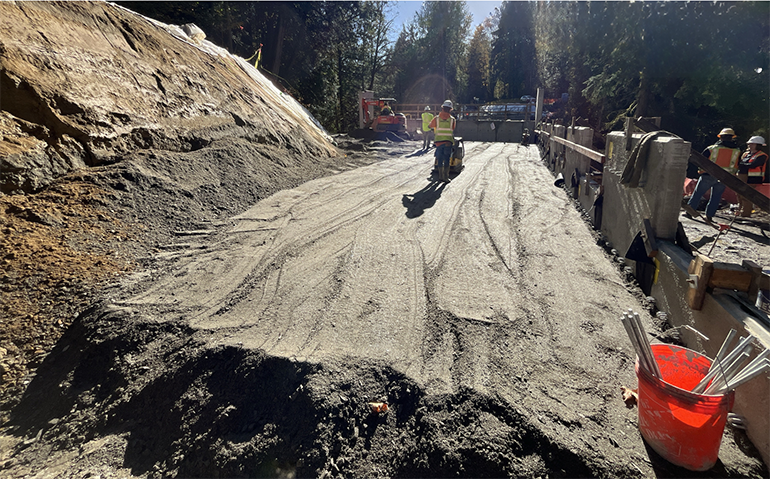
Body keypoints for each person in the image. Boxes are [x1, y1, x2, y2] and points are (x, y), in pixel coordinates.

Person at [683, 128, 741, 224]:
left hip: (708, 175)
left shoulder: (712, 149)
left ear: (721, 137)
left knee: (698, 194)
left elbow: (701, 160)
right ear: (732, 138)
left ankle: (690, 212)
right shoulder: (737, 151)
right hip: (724, 177)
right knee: (716, 197)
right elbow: (738, 164)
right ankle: (709, 216)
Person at [736, 136, 768, 218]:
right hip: (741, 175)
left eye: (752, 144)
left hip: (752, 178)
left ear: (758, 145)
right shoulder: (746, 154)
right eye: (749, 144)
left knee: (746, 195)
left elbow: (754, 165)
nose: (750, 145)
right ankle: (739, 211)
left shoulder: (762, 155)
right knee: (739, 194)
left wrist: (743, 165)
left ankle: (746, 214)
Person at [428, 100, 456, 182]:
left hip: (439, 142)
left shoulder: (436, 119)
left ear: (442, 108)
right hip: (448, 142)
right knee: (447, 159)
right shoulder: (452, 120)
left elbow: (430, 126)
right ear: (450, 109)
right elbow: (453, 129)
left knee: (439, 159)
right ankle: (446, 177)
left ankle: (440, 176)